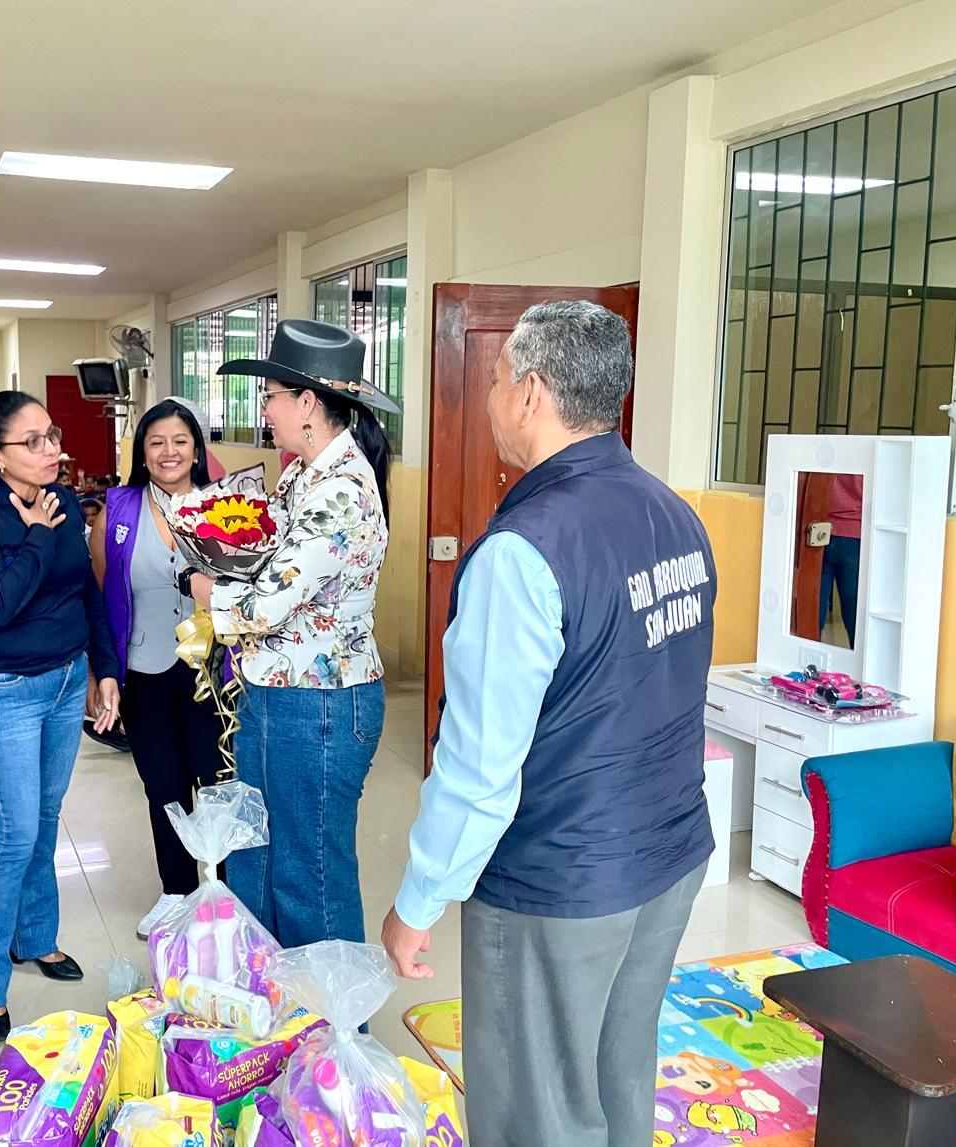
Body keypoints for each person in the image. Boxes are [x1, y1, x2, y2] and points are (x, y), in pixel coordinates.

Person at [381, 301, 717, 1147]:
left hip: (560, 881)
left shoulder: (523, 550)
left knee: (537, 1111)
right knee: (617, 1072)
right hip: (670, 855)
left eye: (497, 379)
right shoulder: (676, 515)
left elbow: (479, 765)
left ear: (530, 393)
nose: (492, 397)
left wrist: (418, 899)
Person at [187, 319, 398, 949]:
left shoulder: (342, 492)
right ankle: (270, 993)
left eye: (271, 396)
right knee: (258, 855)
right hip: (274, 690)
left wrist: (204, 589)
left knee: (310, 874)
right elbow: (261, 557)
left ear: (308, 404)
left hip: (321, 704)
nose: (265, 409)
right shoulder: (300, 477)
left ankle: (330, 1010)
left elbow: (269, 601)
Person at [0, 390, 120, 1044]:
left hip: (67, 679)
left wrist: (104, 667)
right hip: (4, 689)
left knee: (46, 814)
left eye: (53, 436)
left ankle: (35, 936)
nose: (53, 451)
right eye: (34, 441)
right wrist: (39, 534)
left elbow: (86, 590)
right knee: (16, 832)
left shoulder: (63, 499)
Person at [90, 399, 225, 937]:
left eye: (180, 441)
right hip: (143, 670)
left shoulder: (226, 506)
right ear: (142, 452)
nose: (169, 452)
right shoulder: (118, 508)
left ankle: (223, 890)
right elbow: (100, 593)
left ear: (197, 449)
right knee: (163, 783)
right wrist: (101, 673)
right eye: (156, 442)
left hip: (213, 672)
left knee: (216, 783)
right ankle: (176, 890)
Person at [819, 473, 862, 648]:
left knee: (811, 613)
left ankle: (808, 663)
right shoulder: (867, 455)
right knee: (855, 615)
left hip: (817, 529)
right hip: (856, 532)